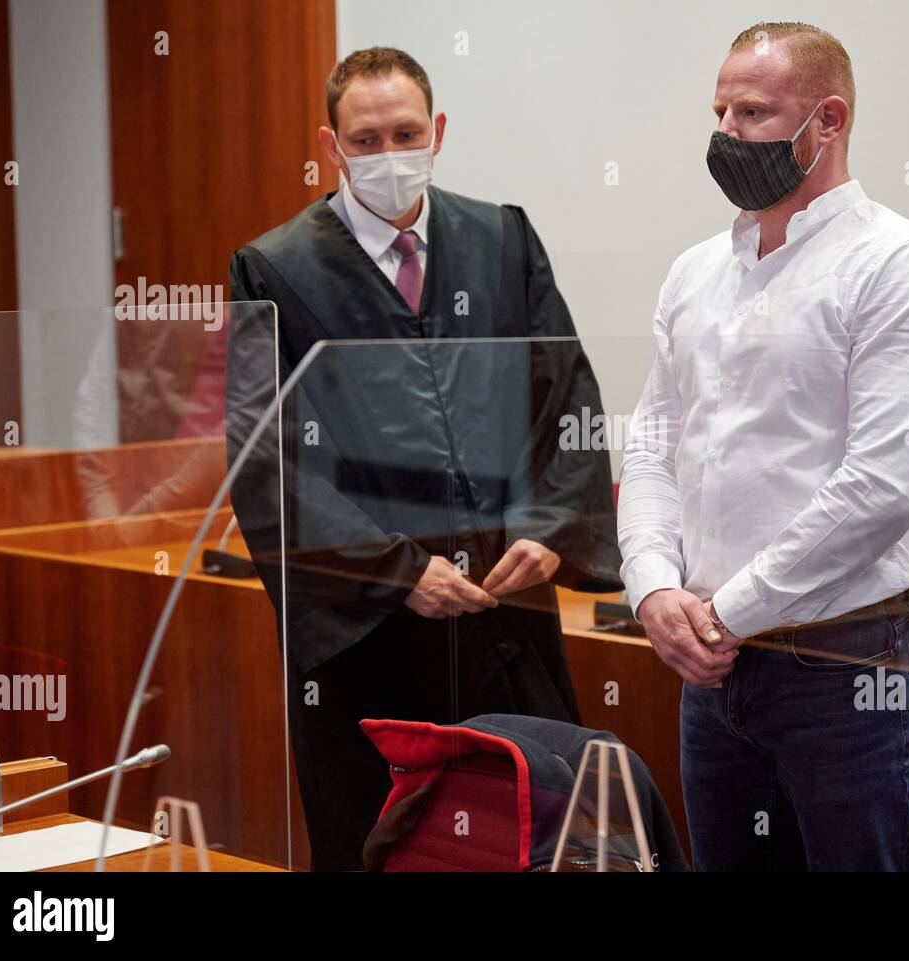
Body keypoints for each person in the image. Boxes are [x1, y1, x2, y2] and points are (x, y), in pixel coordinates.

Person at [225, 47, 619, 871]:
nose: (387, 154)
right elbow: (264, 460)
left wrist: (551, 529)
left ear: (437, 131)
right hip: (370, 636)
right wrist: (398, 572)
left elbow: (567, 396)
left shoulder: (501, 237)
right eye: (365, 140)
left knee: (538, 838)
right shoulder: (275, 268)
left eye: (406, 133)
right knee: (387, 848)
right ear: (331, 147)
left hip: (507, 612)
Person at [617, 21, 909, 871]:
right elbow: (653, 445)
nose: (729, 132)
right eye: (721, 110)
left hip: (842, 658)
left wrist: (722, 612)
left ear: (828, 121)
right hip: (710, 666)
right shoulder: (695, 271)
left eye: (754, 111)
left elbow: (882, 486)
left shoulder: (898, 266)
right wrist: (651, 589)